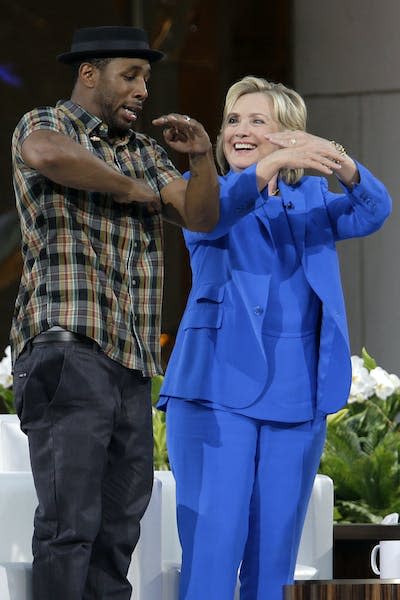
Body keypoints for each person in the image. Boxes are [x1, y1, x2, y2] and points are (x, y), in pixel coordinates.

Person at [158, 76, 392, 600]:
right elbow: (208, 225)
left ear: (289, 134)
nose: (239, 131)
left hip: (297, 392)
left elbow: (374, 210)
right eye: (232, 121)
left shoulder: (310, 198)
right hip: (215, 388)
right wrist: (263, 165)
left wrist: (339, 161)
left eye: (256, 121)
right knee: (214, 548)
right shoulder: (204, 193)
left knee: (275, 559)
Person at [10, 26, 219, 600]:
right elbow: (45, 156)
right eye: (131, 75)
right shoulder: (46, 123)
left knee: (119, 526)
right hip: (65, 345)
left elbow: (199, 217)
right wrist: (136, 191)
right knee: (69, 525)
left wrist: (201, 160)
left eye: (147, 78)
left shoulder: (147, 152)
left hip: (129, 360)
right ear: (89, 73)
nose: (143, 89)